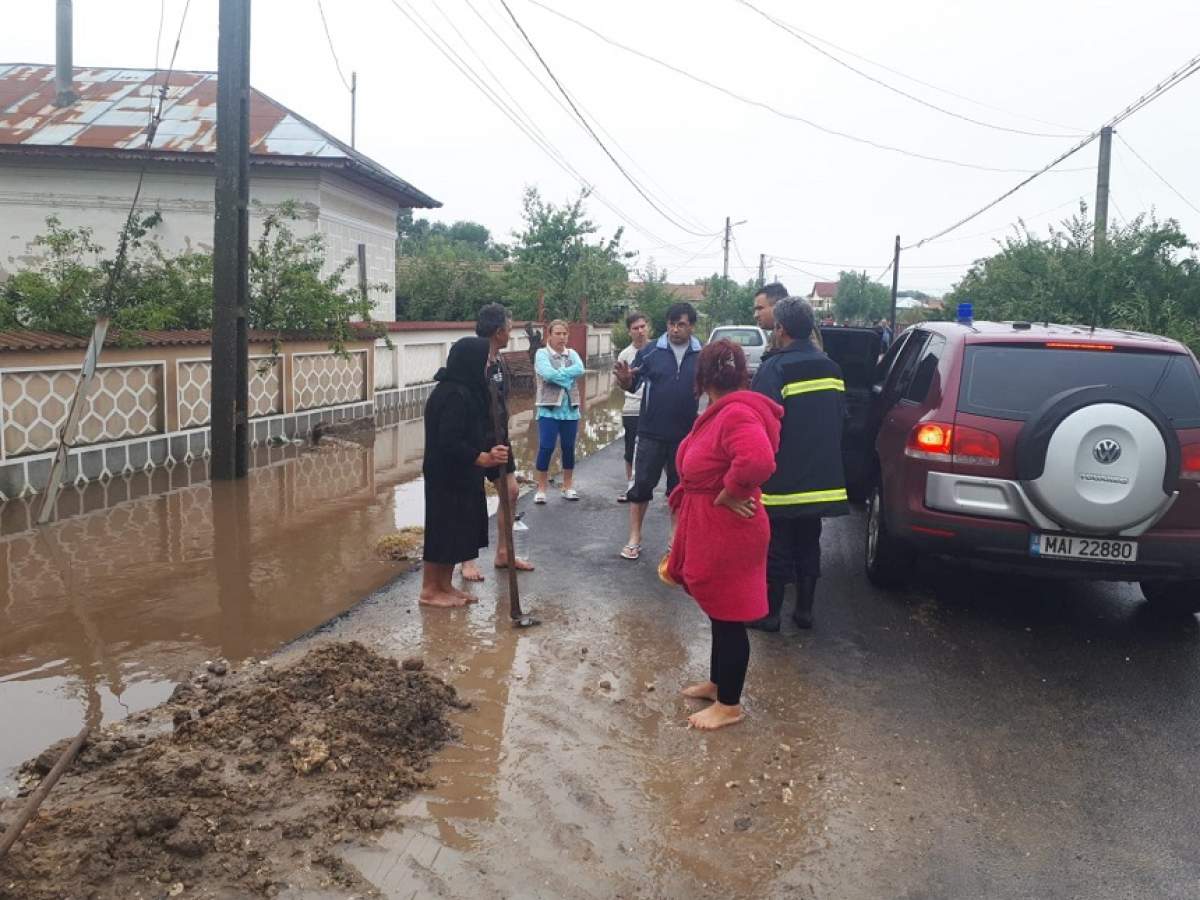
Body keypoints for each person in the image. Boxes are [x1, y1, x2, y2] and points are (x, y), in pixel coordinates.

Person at [668, 340, 782, 730]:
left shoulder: (736, 414)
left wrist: (732, 490)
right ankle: (720, 684)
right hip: (715, 527)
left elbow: (758, 459)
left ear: (702, 378)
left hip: (730, 530)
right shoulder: (724, 411)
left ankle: (730, 705)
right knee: (720, 610)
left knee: (730, 614)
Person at [749, 297, 849, 631]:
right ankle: (805, 612)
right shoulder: (832, 368)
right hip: (822, 479)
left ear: (780, 329)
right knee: (809, 541)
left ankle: (770, 615)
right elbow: (841, 417)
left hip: (783, 480)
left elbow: (760, 425)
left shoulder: (774, 368)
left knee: (776, 545)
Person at [420, 337, 510, 608]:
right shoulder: (452, 394)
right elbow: (449, 441)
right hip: (446, 475)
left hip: (462, 474)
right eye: (484, 361)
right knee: (442, 531)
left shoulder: (468, 391)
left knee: (457, 532)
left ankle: (444, 586)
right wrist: (482, 457)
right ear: (469, 362)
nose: (487, 366)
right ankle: (429, 590)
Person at [613, 302, 702, 561]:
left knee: (678, 490)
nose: (675, 329)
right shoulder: (651, 351)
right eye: (671, 324)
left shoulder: (701, 354)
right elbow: (633, 383)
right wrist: (626, 380)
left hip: (685, 436)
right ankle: (634, 538)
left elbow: (711, 389)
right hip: (651, 432)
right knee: (641, 486)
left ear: (691, 326)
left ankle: (675, 539)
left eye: (681, 324)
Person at [460, 303, 533, 582]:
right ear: (499, 331)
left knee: (510, 491)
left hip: (499, 437)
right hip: (475, 441)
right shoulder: (472, 360)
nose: (510, 334)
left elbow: (503, 400)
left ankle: (504, 552)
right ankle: (466, 560)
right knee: (470, 499)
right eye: (509, 329)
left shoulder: (499, 360)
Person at [533, 319, 586, 503]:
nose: (562, 337)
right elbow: (546, 374)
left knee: (569, 448)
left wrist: (558, 376)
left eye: (565, 333)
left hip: (570, 409)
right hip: (548, 409)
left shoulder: (572, 354)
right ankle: (541, 488)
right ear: (549, 334)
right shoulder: (541, 354)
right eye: (558, 333)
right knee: (546, 447)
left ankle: (568, 485)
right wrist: (566, 378)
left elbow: (580, 369)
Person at [616, 311, 651, 503]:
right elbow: (620, 383)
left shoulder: (658, 350)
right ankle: (631, 486)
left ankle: (673, 491)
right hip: (632, 409)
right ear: (629, 332)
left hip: (654, 409)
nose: (640, 331)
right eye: (635, 328)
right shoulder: (625, 354)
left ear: (648, 327)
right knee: (631, 450)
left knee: (659, 449)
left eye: (642, 327)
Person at [753, 281, 823, 351]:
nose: (755, 315)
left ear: (778, 305)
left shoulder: (802, 330)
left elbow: (810, 359)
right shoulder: (777, 333)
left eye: (760, 308)